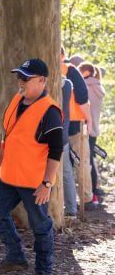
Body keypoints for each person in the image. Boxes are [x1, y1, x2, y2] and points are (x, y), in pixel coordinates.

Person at [0, 58, 63, 275]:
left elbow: (56, 150)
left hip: (33, 180)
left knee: (40, 225)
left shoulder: (50, 111)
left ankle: (44, 270)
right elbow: (9, 135)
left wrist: (47, 184)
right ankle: (16, 257)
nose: (20, 82)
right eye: (19, 76)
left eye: (26, 78)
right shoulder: (17, 99)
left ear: (41, 81)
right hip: (9, 175)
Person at [61, 47, 92, 206]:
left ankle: (66, 201)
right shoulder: (71, 71)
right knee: (82, 162)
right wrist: (90, 120)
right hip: (75, 124)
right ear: (63, 55)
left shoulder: (44, 72)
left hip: (58, 125)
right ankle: (86, 198)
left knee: (64, 166)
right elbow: (83, 99)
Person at [78, 62, 106, 201]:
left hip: (85, 128)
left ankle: (92, 193)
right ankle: (95, 190)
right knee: (91, 159)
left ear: (85, 71)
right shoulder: (98, 86)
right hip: (94, 128)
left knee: (87, 161)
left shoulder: (85, 86)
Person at [60, 74, 78, 217]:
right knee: (67, 173)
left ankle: (70, 209)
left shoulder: (64, 84)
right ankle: (71, 209)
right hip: (62, 136)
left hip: (53, 137)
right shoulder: (67, 84)